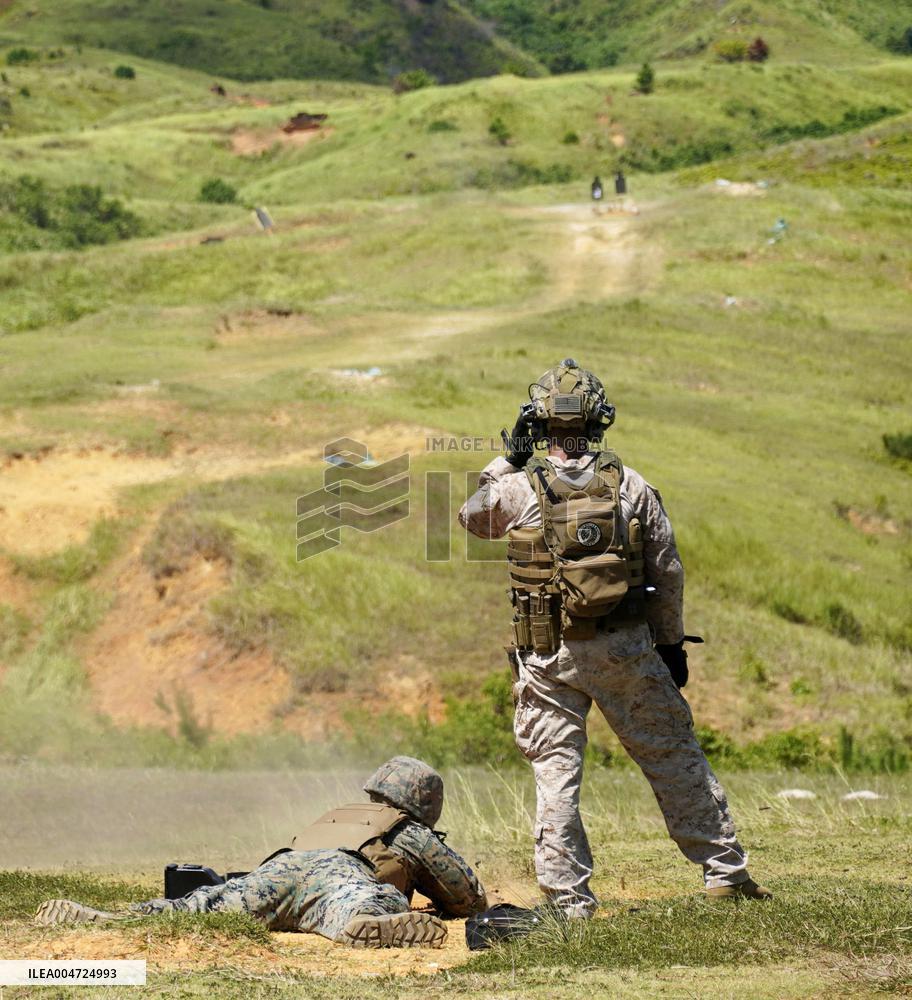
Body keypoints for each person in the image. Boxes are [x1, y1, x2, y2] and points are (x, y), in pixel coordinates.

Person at [459, 359, 771, 918]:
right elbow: (667, 572)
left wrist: (508, 455)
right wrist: (671, 646)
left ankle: (569, 900)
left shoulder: (515, 487)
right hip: (626, 648)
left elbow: (470, 518)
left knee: (556, 773)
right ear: (600, 420)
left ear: (539, 424)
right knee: (673, 757)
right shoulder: (631, 484)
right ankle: (725, 871)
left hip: (548, 653)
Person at [36, 756, 487, 948]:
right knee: (366, 906)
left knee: (204, 905)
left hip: (278, 867)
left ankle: (114, 918)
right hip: (339, 874)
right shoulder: (406, 829)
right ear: (425, 803)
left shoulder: (341, 813)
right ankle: (361, 926)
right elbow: (466, 898)